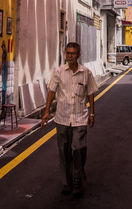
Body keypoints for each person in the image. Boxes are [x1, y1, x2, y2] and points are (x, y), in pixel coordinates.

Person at [41, 42, 98, 198]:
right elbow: (51, 92)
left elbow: (91, 93)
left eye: (73, 53)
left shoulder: (86, 73)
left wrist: (92, 114)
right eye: (67, 53)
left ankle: (78, 179)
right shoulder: (58, 72)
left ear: (78, 55)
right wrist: (46, 112)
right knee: (64, 152)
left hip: (80, 117)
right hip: (62, 118)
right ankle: (66, 182)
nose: (69, 56)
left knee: (79, 149)